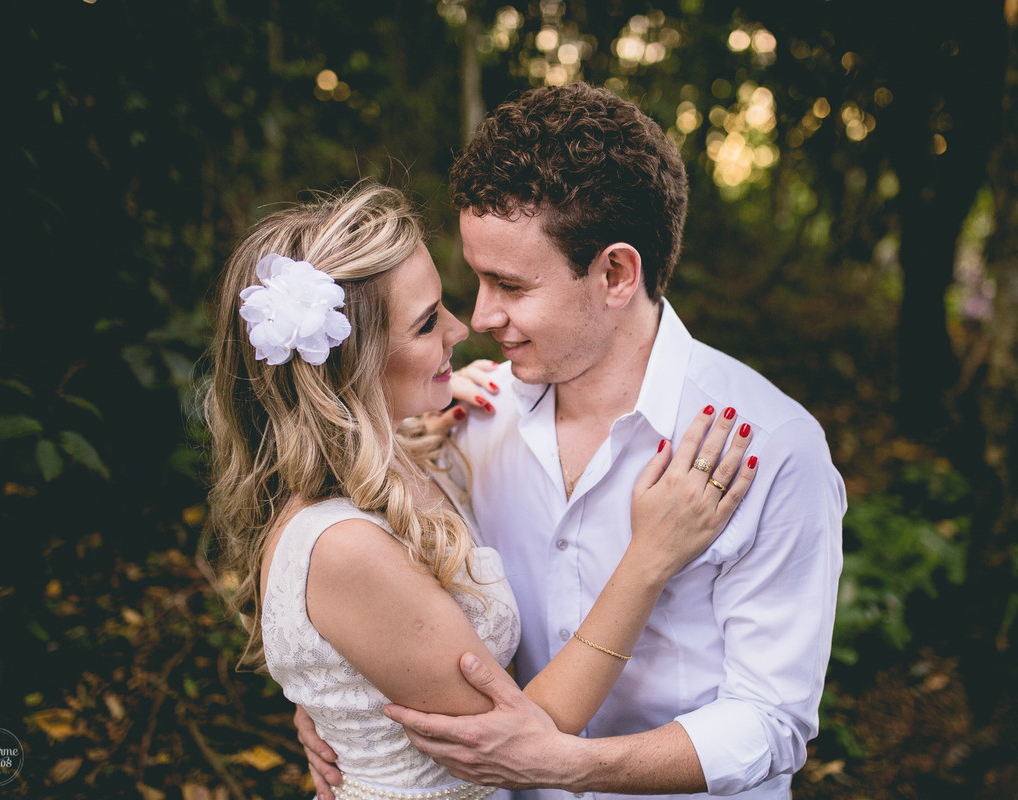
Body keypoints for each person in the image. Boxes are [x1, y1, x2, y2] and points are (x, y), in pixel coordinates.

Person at [297, 84, 846, 800]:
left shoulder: (769, 447)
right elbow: (396, 604)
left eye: (510, 285)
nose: (482, 316)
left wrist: (565, 766)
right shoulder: (471, 418)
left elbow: (771, 722)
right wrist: (340, 705)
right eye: (476, 279)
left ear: (616, 273)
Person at [205, 182, 759, 800]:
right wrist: (649, 559)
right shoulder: (342, 545)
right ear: (353, 365)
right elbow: (516, 738)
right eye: (424, 324)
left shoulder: (413, 459)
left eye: (443, 304)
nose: (461, 327)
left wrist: (418, 423)